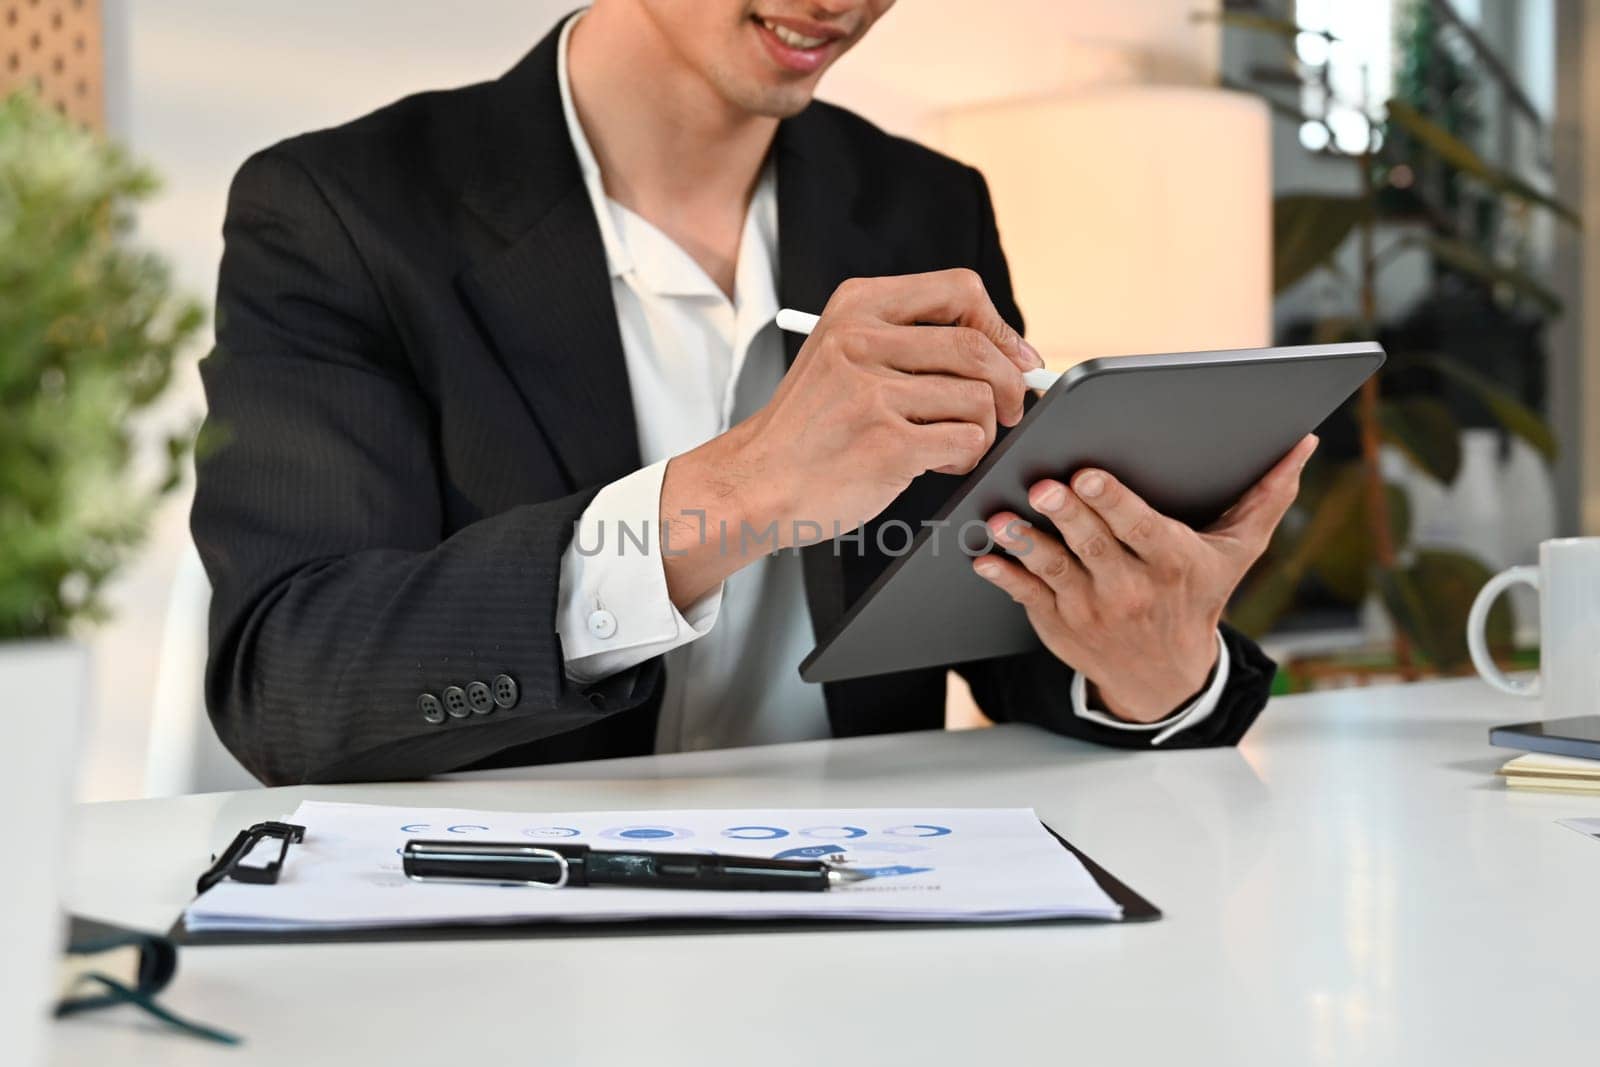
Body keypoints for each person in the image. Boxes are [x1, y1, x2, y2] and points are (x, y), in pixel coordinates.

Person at [193, 0, 1312, 786]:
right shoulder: (340, 210)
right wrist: (736, 492)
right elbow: (288, 680)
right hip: (511, 954)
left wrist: (1153, 662)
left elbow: (996, 621)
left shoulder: (925, 207)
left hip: (872, 933)